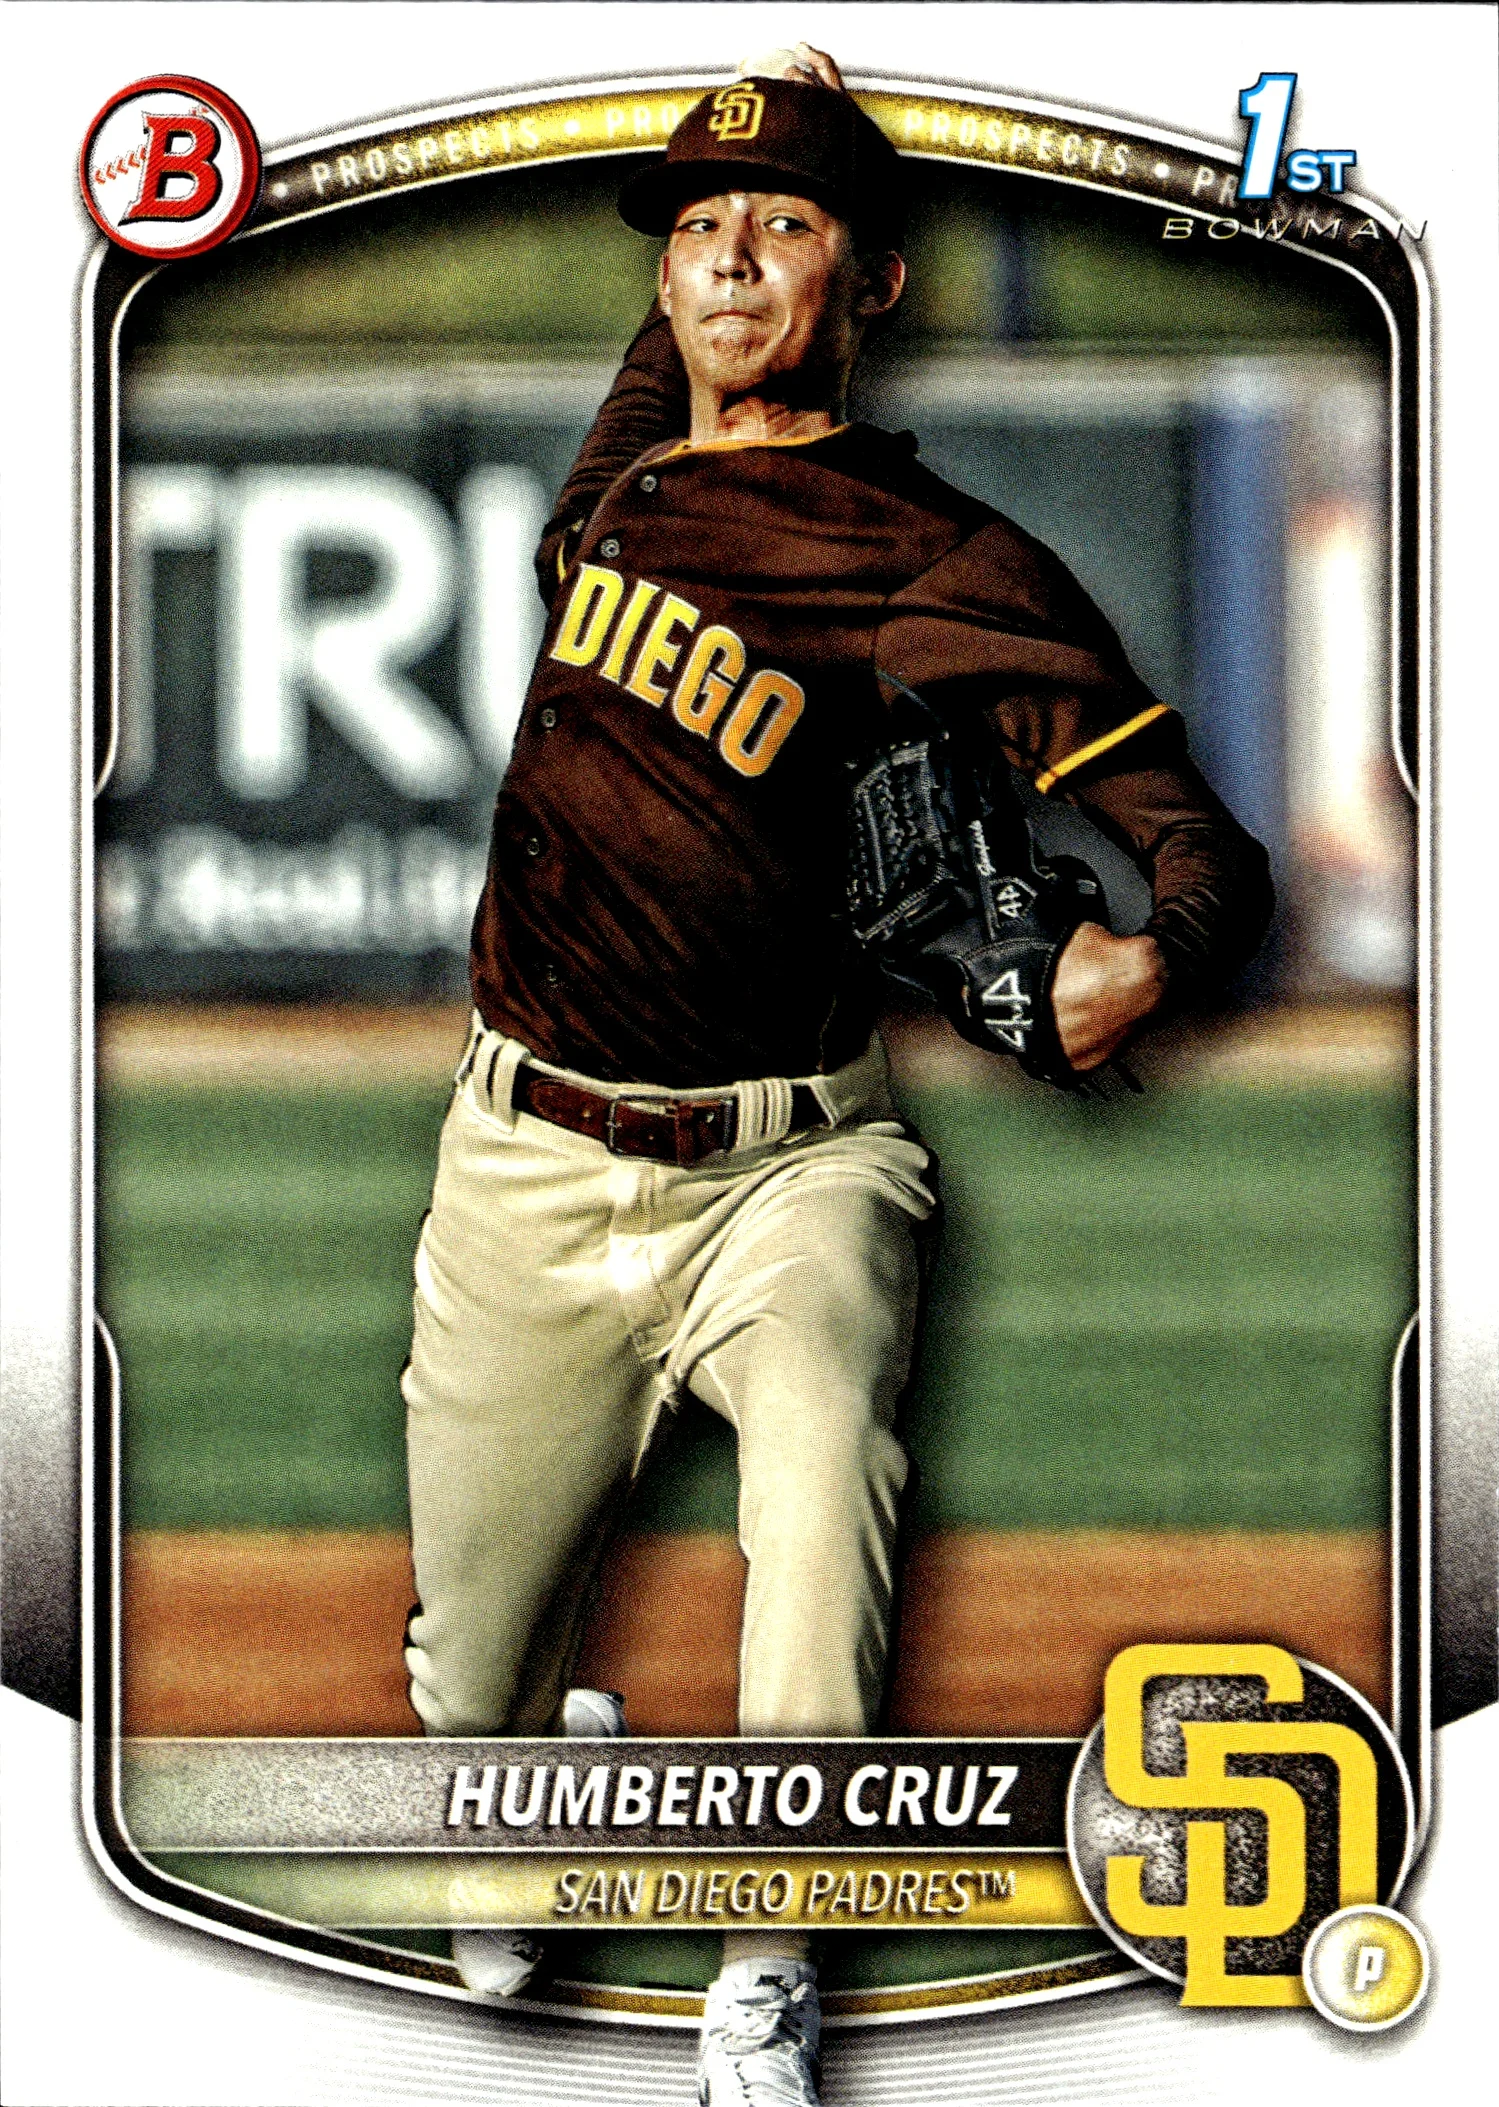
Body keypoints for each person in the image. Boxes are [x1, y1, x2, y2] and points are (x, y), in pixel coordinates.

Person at [401, 44, 1273, 2105]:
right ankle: (530, 1781)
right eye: (695, 231)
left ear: (870, 280)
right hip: (520, 1156)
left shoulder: (939, 558)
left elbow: (1199, 850)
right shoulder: (620, 491)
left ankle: (765, 1970)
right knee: (461, 1694)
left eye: (779, 224)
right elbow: (678, 338)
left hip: (794, 1170)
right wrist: (764, 117)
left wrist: (1145, 969)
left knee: (820, 1498)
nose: (724, 261)